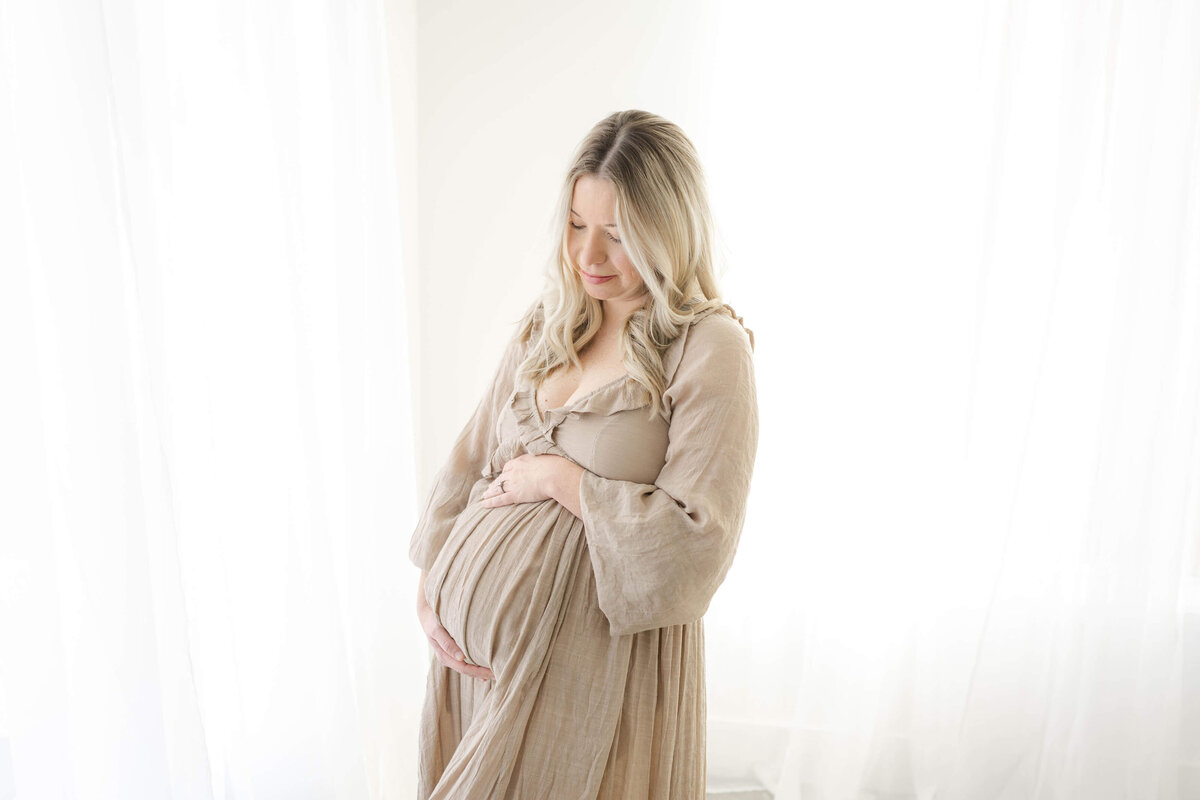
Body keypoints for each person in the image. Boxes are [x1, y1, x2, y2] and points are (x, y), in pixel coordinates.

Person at [408, 109, 759, 799]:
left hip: (590, 682)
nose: (588, 257)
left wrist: (559, 478)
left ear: (670, 229)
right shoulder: (550, 324)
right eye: (576, 225)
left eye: (618, 235)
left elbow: (699, 543)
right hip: (475, 675)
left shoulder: (711, 349)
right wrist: (433, 588)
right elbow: (469, 460)